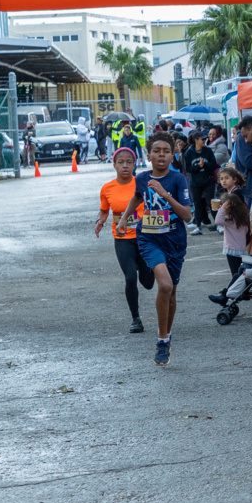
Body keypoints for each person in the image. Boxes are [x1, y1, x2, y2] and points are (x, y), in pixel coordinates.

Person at [117, 132, 192, 366]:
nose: (161, 155)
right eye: (156, 151)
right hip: (149, 239)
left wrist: (164, 194)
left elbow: (187, 216)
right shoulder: (141, 178)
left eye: (166, 151)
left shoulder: (178, 179)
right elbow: (137, 197)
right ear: (148, 156)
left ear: (173, 155)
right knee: (165, 285)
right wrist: (124, 219)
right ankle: (161, 339)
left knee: (172, 293)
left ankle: (166, 336)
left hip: (175, 240)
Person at [94, 147, 155, 333]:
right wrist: (100, 221)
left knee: (148, 283)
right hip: (122, 238)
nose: (125, 166)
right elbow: (104, 210)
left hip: (144, 237)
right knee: (130, 277)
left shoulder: (142, 183)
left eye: (129, 162)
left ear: (135, 164)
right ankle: (136, 318)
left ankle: (144, 266)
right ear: (114, 165)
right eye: (120, 162)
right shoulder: (107, 188)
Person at [208, 167, 252, 305]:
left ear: (235, 179)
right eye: (221, 178)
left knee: (237, 273)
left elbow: (219, 220)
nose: (223, 181)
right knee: (238, 272)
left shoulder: (235, 196)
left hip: (234, 243)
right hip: (238, 240)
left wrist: (222, 209)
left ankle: (227, 295)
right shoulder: (232, 195)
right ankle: (231, 293)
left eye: (226, 178)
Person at [184, 131, 218, 236]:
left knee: (211, 202)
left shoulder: (208, 151)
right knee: (197, 203)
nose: (204, 141)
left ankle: (218, 224)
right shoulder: (189, 153)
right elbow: (188, 168)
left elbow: (213, 164)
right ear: (196, 140)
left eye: (205, 139)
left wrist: (205, 165)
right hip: (195, 182)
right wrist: (198, 166)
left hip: (208, 180)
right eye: (202, 139)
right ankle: (198, 226)